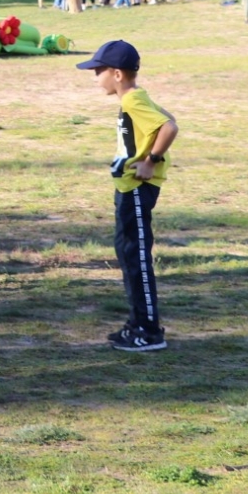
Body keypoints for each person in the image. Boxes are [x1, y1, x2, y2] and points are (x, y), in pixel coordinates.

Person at [76, 40, 178, 352]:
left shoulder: (133, 101)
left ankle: (148, 332)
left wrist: (151, 161)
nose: (96, 77)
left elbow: (169, 127)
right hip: (127, 188)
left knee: (136, 258)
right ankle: (137, 324)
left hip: (136, 188)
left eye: (99, 71)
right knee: (127, 252)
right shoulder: (135, 98)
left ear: (117, 74)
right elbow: (165, 118)